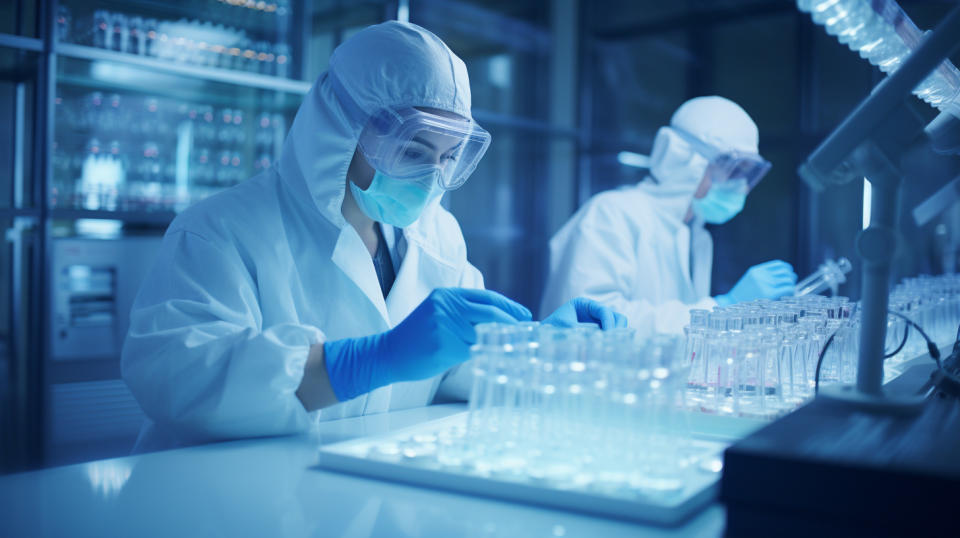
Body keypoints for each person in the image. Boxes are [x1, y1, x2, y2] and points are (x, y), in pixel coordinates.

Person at [121, 22, 624, 451]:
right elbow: (175, 377)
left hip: (365, 496)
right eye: (412, 151)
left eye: (448, 157)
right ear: (341, 129)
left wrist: (531, 348)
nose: (432, 179)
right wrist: (361, 362)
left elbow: (453, 371)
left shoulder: (437, 235)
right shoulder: (221, 230)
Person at [540, 96, 797, 335]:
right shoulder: (611, 214)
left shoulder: (695, 236)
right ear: (686, 160)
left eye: (748, 174)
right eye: (732, 170)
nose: (740, 186)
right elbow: (591, 321)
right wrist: (720, 310)